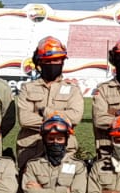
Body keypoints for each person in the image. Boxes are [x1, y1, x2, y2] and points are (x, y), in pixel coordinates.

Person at [16, 37, 84, 167]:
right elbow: (24, 119)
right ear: (39, 62)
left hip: (64, 149)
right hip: (31, 148)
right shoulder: (27, 88)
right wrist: (60, 120)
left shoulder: (73, 89)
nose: (53, 63)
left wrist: (46, 112)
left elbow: (75, 117)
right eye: (48, 60)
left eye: (56, 60)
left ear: (63, 61)